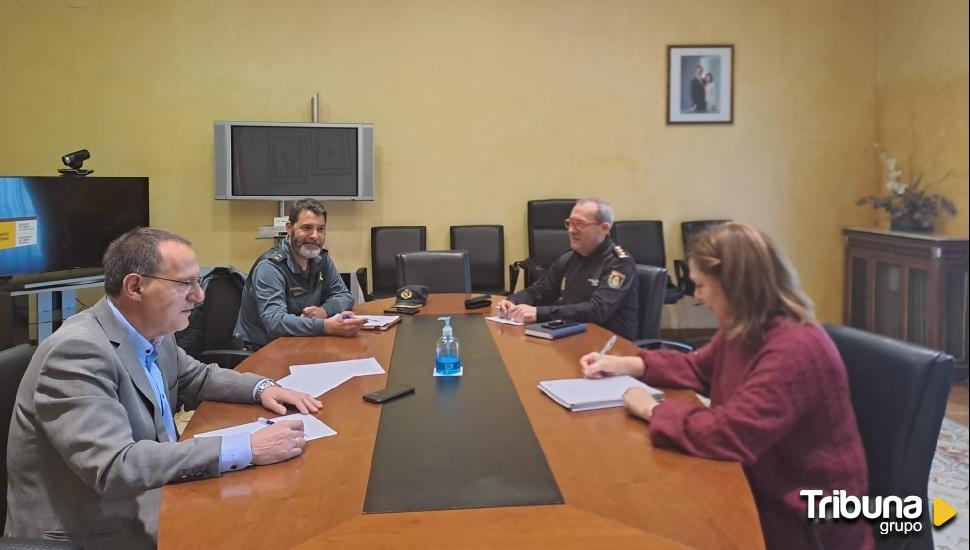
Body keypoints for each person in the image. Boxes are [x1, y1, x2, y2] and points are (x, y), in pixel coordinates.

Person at [5, 228, 322, 549]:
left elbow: (197, 376)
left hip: (157, 494)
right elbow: (115, 466)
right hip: (94, 531)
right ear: (135, 286)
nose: (199, 296)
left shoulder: (156, 330)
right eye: (185, 284)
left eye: (198, 282)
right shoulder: (76, 352)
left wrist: (262, 387)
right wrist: (246, 447)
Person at [580, 222, 872, 549]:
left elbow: (732, 434)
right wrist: (628, 364)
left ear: (734, 285)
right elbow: (699, 367)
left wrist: (653, 410)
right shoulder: (748, 329)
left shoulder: (796, 348)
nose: (698, 296)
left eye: (702, 285)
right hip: (764, 485)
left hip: (807, 521)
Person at [495, 197, 638, 340]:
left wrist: (539, 313)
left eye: (580, 224)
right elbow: (539, 291)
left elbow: (597, 309)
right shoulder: (570, 258)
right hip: (571, 336)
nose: (571, 230)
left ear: (604, 228)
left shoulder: (619, 264)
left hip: (609, 346)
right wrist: (513, 301)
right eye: (569, 223)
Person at [235, 198, 366, 348]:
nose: (315, 236)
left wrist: (324, 311)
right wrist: (325, 326)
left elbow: (344, 296)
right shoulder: (270, 267)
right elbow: (275, 322)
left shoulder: (321, 258)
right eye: (307, 228)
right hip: (261, 350)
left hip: (300, 342)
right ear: (290, 228)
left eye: (320, 229)